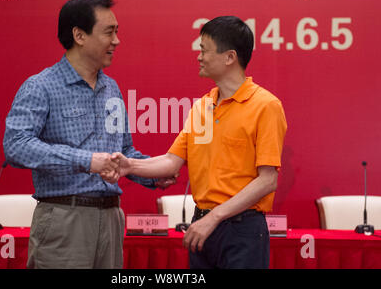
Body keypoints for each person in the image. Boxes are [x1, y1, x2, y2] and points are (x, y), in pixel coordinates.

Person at [3, 0, 175, 269]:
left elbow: (125, 151)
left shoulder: (112, 89)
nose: (117, 40)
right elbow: (16, 145)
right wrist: (86, 161)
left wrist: (154, 174)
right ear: (79, 35)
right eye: (109, 32)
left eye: (117, 31)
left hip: (111, 218)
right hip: (64, 219)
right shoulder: (40, 86)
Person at [113, 16, 287, 269]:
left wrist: (214, 217)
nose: (199, 56)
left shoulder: (266, 106)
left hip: (241, 230)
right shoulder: (202, 107)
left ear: (229, 57)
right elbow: (172, 161)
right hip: (202, 227)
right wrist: (127, 166)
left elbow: (267, 179)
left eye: (204, 49)